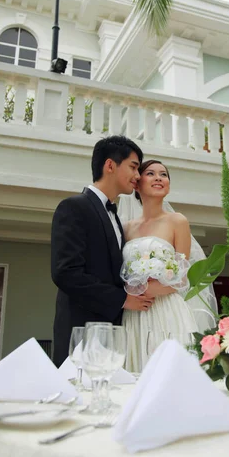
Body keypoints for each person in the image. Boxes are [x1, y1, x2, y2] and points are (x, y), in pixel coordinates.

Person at [51, 136, 168, 367]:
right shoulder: (73, 207)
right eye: (134, 167)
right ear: (110, 165)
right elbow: (66, 273)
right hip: (81, 334)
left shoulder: (116, 217)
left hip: (114, 336)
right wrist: (123, 299)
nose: (138, 176)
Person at [119, 159, 217, 373]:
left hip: (167, 310)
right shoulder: (126, 228)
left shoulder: (177, 221)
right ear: (137, 183)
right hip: (135, 313)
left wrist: (146, 288)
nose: (158, 178)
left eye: (163, 175)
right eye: (151, 173)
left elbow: (182, 277)